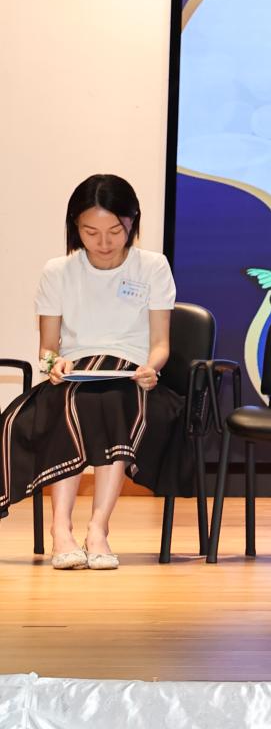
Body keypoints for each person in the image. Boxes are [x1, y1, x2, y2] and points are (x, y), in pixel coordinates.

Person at [1, 175, 191, 569]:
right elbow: (48, 349)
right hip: (75, 373)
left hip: (131, 376)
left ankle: (98, 529)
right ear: (75, 227)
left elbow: (160, 343)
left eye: (114, 231)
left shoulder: (153, 266)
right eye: (91, 232)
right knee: (71, 402)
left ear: (132, 222)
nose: (103, 242)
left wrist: (151, 369)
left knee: (115, 401)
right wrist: (55, 366)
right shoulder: (58, 271)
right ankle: (61, 530)